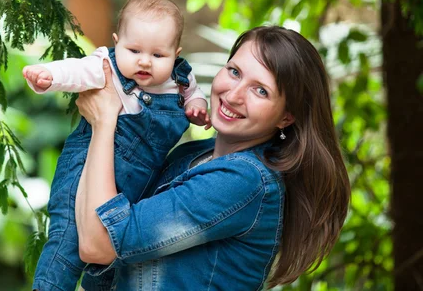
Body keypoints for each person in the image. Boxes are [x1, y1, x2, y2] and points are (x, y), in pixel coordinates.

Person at [75, 25, 351, 290]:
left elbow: (98, 244)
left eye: (261, 90)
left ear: (286, 117)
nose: (233, 95)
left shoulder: (244, 181)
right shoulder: (192, 155)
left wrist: (104, 121)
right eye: (234, 71)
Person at [23, 0, 211, 291]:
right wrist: (49, 75)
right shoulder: (106, 67)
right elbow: (76, 70)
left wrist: (197, 107)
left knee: (112, 258)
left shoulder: (180, 79)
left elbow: (194, 94)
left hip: (136, 183)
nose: (144, 62)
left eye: (158, 55)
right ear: (116, 42)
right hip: (85, 168)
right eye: (133, 49)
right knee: (67, 242)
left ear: (176, 53)